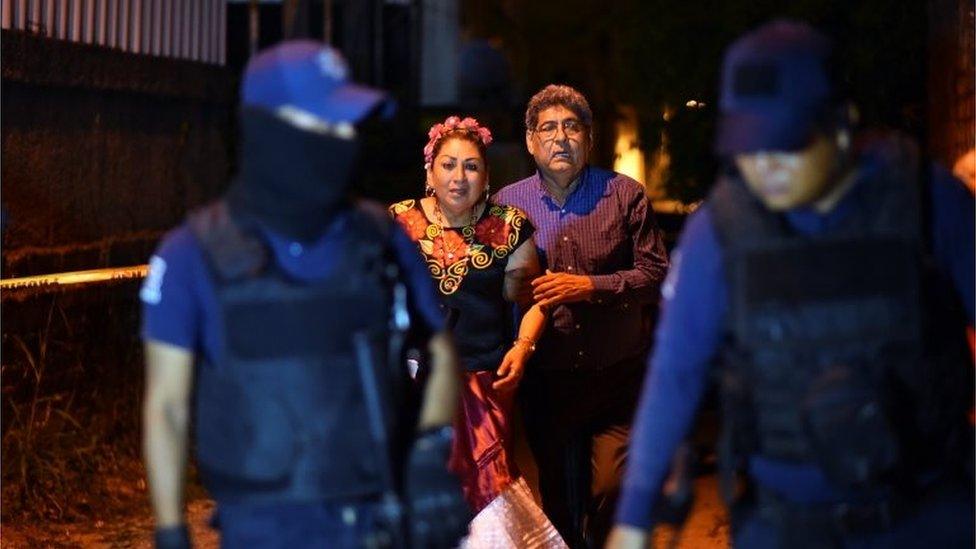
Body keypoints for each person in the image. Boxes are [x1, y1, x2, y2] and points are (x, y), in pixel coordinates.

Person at [608, 19, 975, 549]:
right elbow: (675, 374)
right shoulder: (721, 231)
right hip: (786, 524)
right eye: (746, 146)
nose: (764, 164)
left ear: (842, 126)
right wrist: (635, 516)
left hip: (928, 514)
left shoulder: (924, 199)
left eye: (785, 143)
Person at [140, 40, 469, 549]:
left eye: (347, 127)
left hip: (377, 521)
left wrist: (428, 452)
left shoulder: (379, 240)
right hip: (261, 531)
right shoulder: (192, 255)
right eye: (323, 125)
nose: (341, 141)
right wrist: (170, 531)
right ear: (269, 130)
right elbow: (166, 405)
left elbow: (439, 350)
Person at [491, 85, 670, 548]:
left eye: (572, 127)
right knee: (562, 505)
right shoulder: (508, 207)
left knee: (614, 490)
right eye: (547, 128)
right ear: (530, 141)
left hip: (617, 376)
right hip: (550, 382)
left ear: (588, 138)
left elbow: (655, 275)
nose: (560, 138)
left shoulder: (624, 195)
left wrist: (590, 287)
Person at [390, 115, 567, 548]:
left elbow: (535, 300)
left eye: (471, 166)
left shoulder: (509, 225)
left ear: (487, 176)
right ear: (429, 172)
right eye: (448, 165)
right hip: (413, 390)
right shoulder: (399, 222)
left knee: (488, 497)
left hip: (481, 388)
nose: (458, 176)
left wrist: (523, 350)